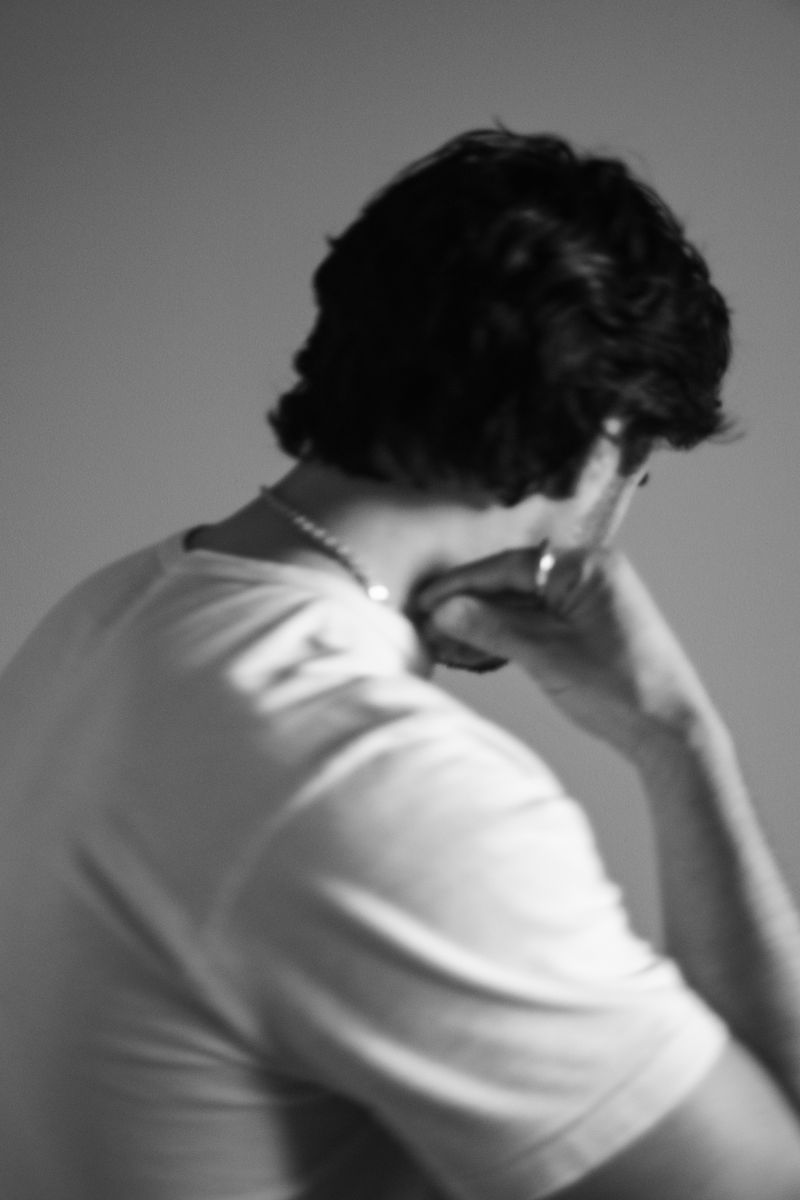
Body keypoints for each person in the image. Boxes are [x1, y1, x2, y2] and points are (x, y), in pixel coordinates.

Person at [2, 127, 800, 1200]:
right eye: (639, 476)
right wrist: (677, 742)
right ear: (606, 433)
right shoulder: (371, 777)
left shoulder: (108, 616)